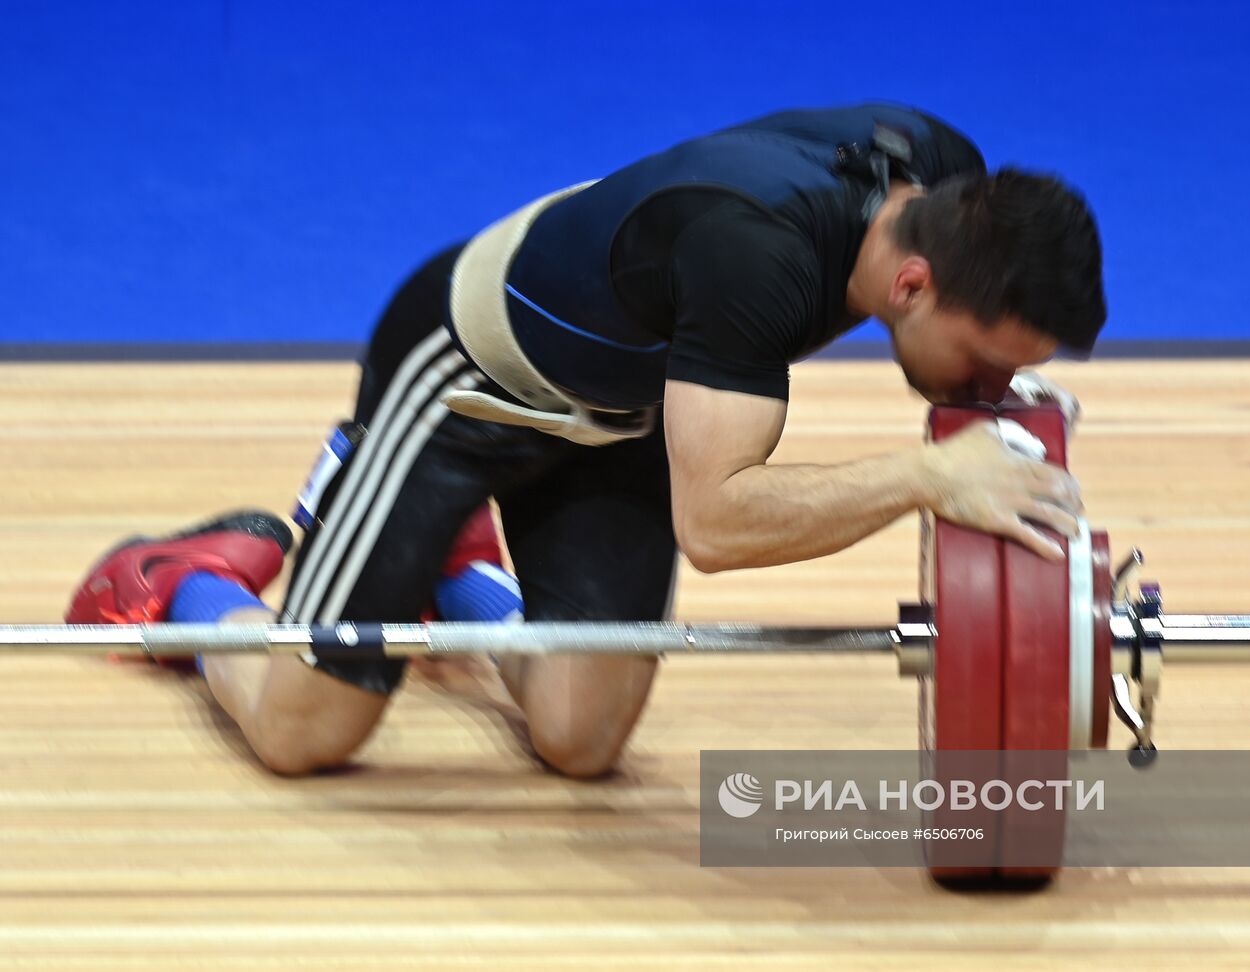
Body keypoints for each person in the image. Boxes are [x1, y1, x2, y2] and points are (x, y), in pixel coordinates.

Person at [66, 102, 1107, 779]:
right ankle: (185, 587)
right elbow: (714, 521)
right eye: (982, 359)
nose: (996, 389)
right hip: (462, 387)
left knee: (578, 741)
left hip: (626, 405)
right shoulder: (757, 253)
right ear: (911, 284)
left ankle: (458, 570)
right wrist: (929, 474)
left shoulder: (947, 188)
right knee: (301, 738)